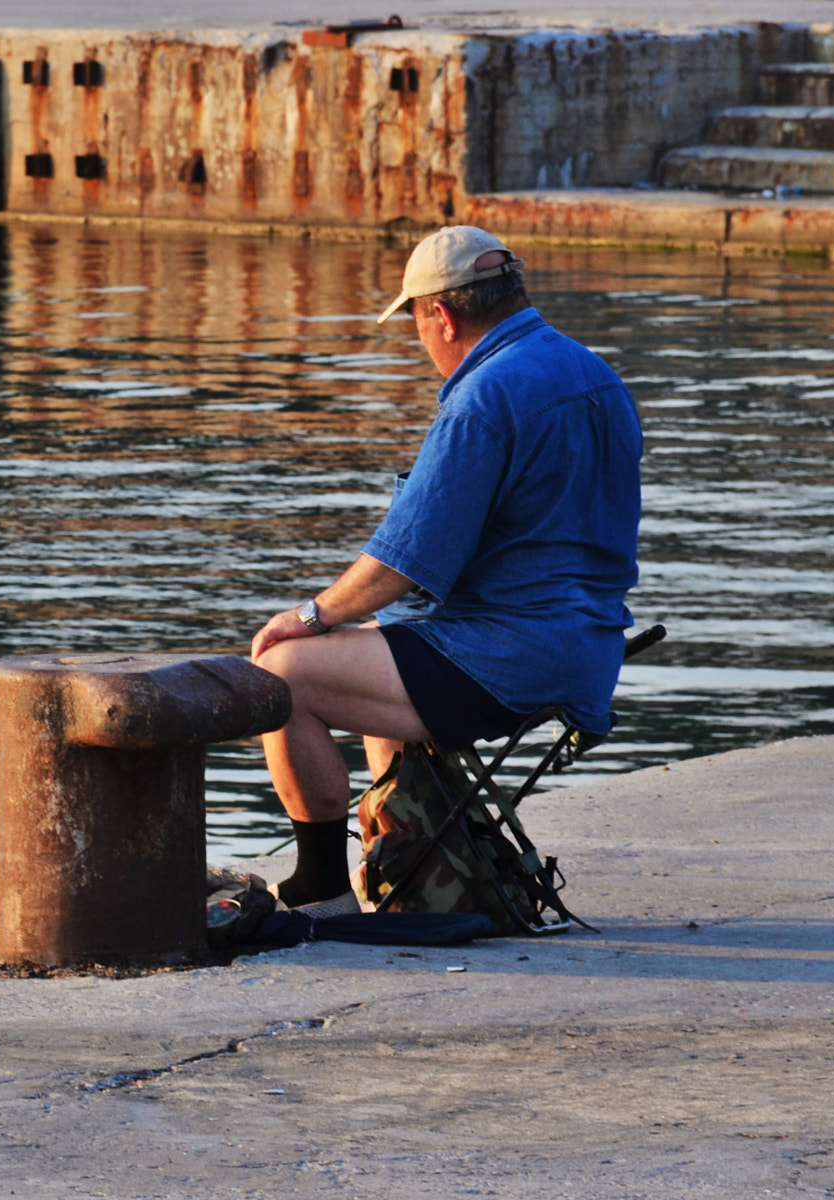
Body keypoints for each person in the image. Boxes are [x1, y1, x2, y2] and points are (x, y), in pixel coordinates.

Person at [249, 226, 642, 916]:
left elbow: (405, 559)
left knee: (284, 677)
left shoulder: (484, 397)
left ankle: (320, 890)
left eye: (417, 323)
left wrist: (307, 617)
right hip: (588, 647)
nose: (422, 343)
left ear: (443, 316)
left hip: (509, 657)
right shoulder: (596, 376)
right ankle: (414, 868)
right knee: (383, 639)